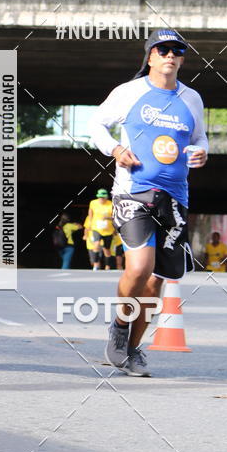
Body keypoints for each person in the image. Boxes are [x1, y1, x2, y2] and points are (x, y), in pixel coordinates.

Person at [89, 28, 208, 377]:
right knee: (139, 268)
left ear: (182, 58)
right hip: (133, 191)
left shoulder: (192, 99)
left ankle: (132, 349)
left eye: (177, 50)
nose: (170, 55)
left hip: (175, 197)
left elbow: (200, 137)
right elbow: (97, 124)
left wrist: (202, 152)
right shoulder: (129, 92)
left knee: (157, 281)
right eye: (163, 49)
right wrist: (114, 149)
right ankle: (120, 326)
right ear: (151, 56)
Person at [85, 188, 116, 270]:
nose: (101, 199)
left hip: (108, 230)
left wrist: (108, 217)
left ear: (106, 197)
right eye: (99, 197)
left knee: (107, 249)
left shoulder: (111, 204)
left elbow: (115, 217)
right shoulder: (93, 203)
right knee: (96, 244)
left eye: (102, 197)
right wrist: (90, 223)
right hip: (96, 228)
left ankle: (107, 266)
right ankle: (96, 264)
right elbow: (90, 213)